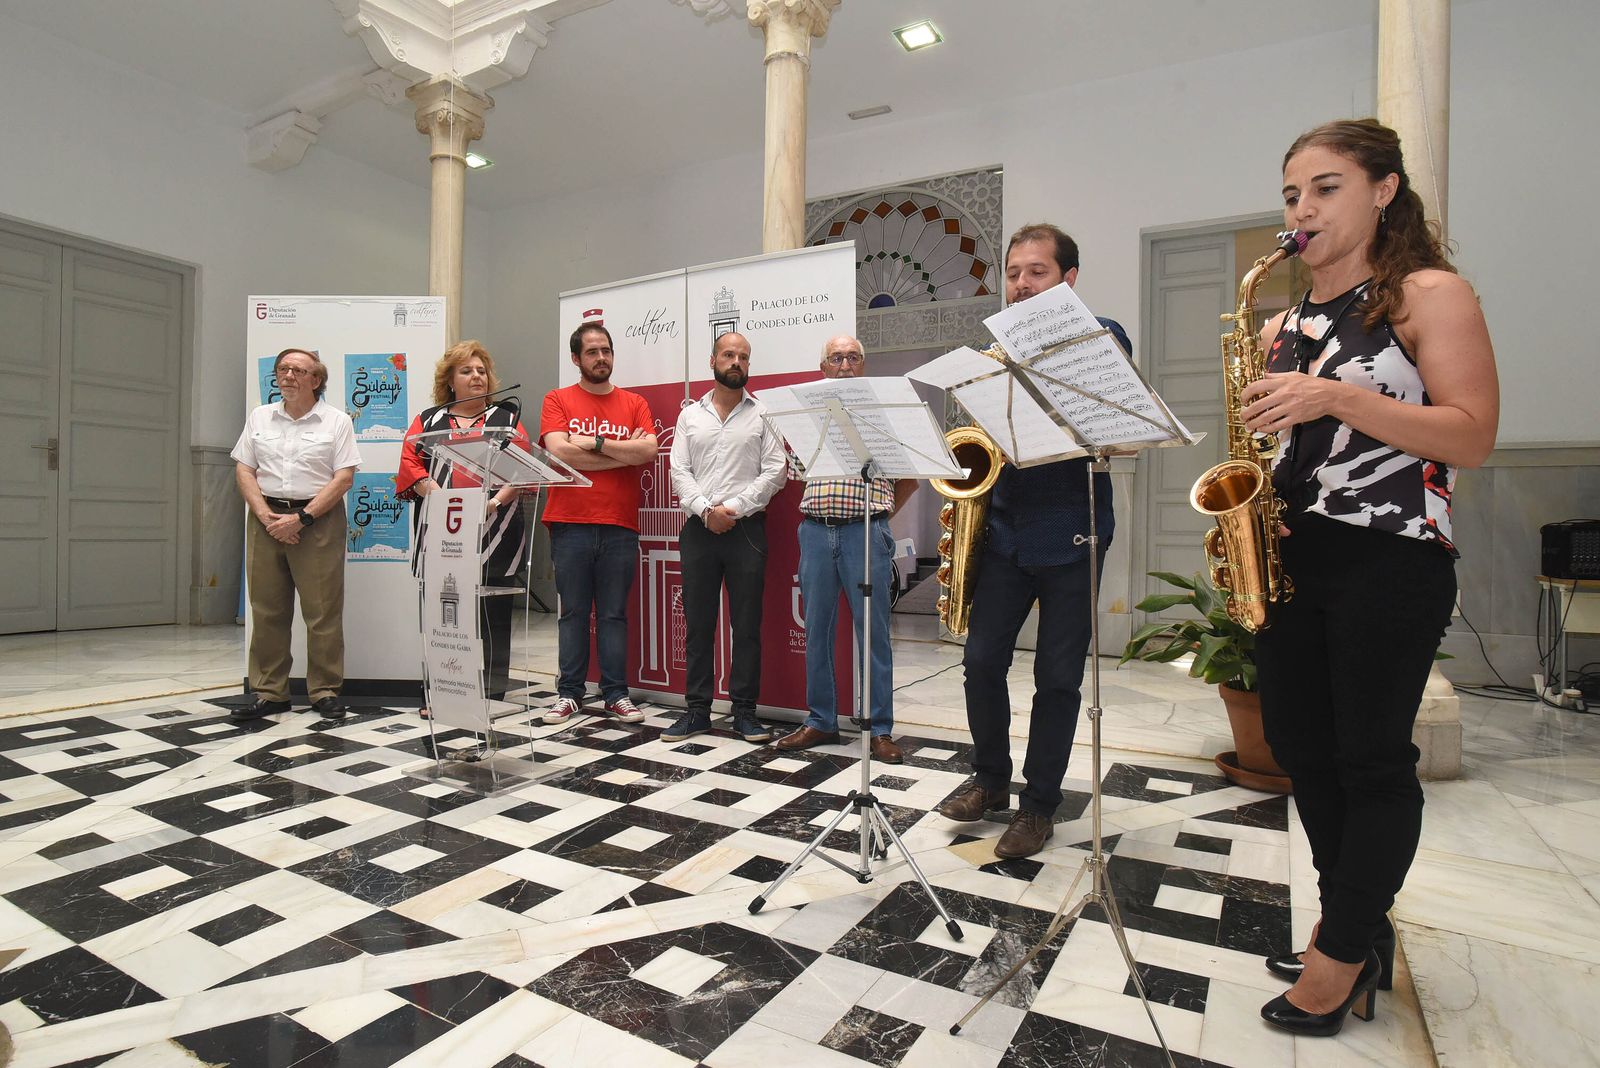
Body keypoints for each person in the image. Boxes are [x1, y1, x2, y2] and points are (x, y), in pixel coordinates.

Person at [1242, 118, 1497, 1037]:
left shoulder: (1429, 294)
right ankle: (1349, 926)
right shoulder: (1280, 322)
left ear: (1383, 191)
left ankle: (1340, 956)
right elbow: (1288, 442)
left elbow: (1471, 432)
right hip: (1291, 556)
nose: (1302, 209)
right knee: (1306, 755)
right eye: (1291, 193)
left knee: (1372, 760)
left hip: (1392, 555)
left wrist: (1338, 395)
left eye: (1326, 187)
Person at [937, 223, 1132, 859]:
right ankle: (991, 780)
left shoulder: (1100, 337)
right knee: (981, 661)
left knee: (1058, 676)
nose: (1021, 284)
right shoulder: (993, 353)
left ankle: (1039, 803)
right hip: (1006, 531)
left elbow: (1109, 426)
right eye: (1014, 273)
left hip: (1074, 530)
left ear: (1068, 279)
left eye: (1036, 272)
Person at [774, 334, 915, 765]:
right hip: (816, 531)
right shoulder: (805, 417)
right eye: (836, 357)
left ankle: (880, 729)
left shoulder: (881, 417)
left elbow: (908, 476)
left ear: (863, 365)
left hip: (864, 533)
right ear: (823, 366)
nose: (846, 364)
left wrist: (878, 515)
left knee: (872, 635)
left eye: (854, 357)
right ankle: (820, 720)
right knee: (816, 631)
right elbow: (795, 470)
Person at [661, 332, 787, 743]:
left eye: (743, 357)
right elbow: (679, 471)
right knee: (698, 625)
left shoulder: (764, 415)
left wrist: (733, 508)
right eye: (729, 355)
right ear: (712, 360)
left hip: (745, 530)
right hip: (698, 530)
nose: (736, 362)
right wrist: (705, 510)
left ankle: (745, 713)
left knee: (746, 625)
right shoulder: (689, 416)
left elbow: (776, 471)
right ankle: (696, 710)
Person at [398, 340, 532, 715]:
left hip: (497, 528)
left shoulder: (505, 419)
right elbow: (411, 462)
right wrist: (440, 497)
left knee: (494, 617)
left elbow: (522, 468)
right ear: (450, 381)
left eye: (481, 370)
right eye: (467, 371)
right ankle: (441, 691)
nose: (477, 376)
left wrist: (489, 504)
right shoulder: (429, 420)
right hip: (440, 529)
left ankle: (490, 695)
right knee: (444, 615)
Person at [231, 347, 361, 721]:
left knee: (322, 613)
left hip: (317, 521)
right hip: (265, 517)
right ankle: (270, 693)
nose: (287, 376)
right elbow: (244, 470)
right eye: (283, 369)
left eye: (298, 371)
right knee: (267, 610)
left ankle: (324, 691)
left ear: (316, 380)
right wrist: (264, 514)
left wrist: (301, 519)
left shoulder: (336, 421)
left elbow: (344, 478)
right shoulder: (260, 417)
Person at [538, 323, 658, 725]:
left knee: (613, 614)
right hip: (569, 522)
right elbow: (560, 454)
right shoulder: (557, 399)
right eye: (591, 352)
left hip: (619, 524)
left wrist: (595, 443)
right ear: (576, 359)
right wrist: (620, 455)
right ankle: (569, 693)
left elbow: (648, 451)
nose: (601, 358)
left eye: (606, 350)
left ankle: (615, 694)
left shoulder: (634, 402)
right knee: (572, 612)